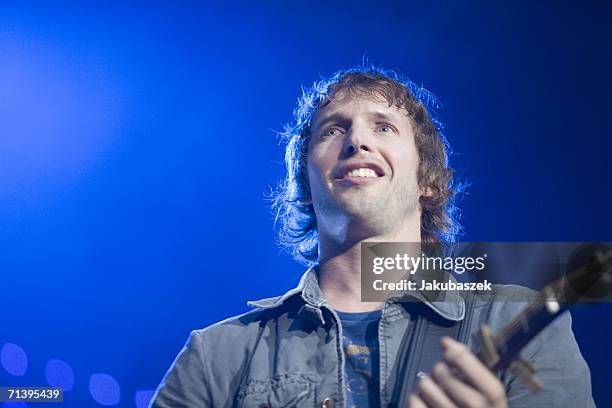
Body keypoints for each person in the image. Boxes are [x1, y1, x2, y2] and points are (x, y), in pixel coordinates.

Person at [150, 66, 594, 407]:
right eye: (333, 129)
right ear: (305, 187)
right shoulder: (217, 355)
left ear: (429, 181)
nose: (357, 140)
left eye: (383, 127)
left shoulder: (517, 323)